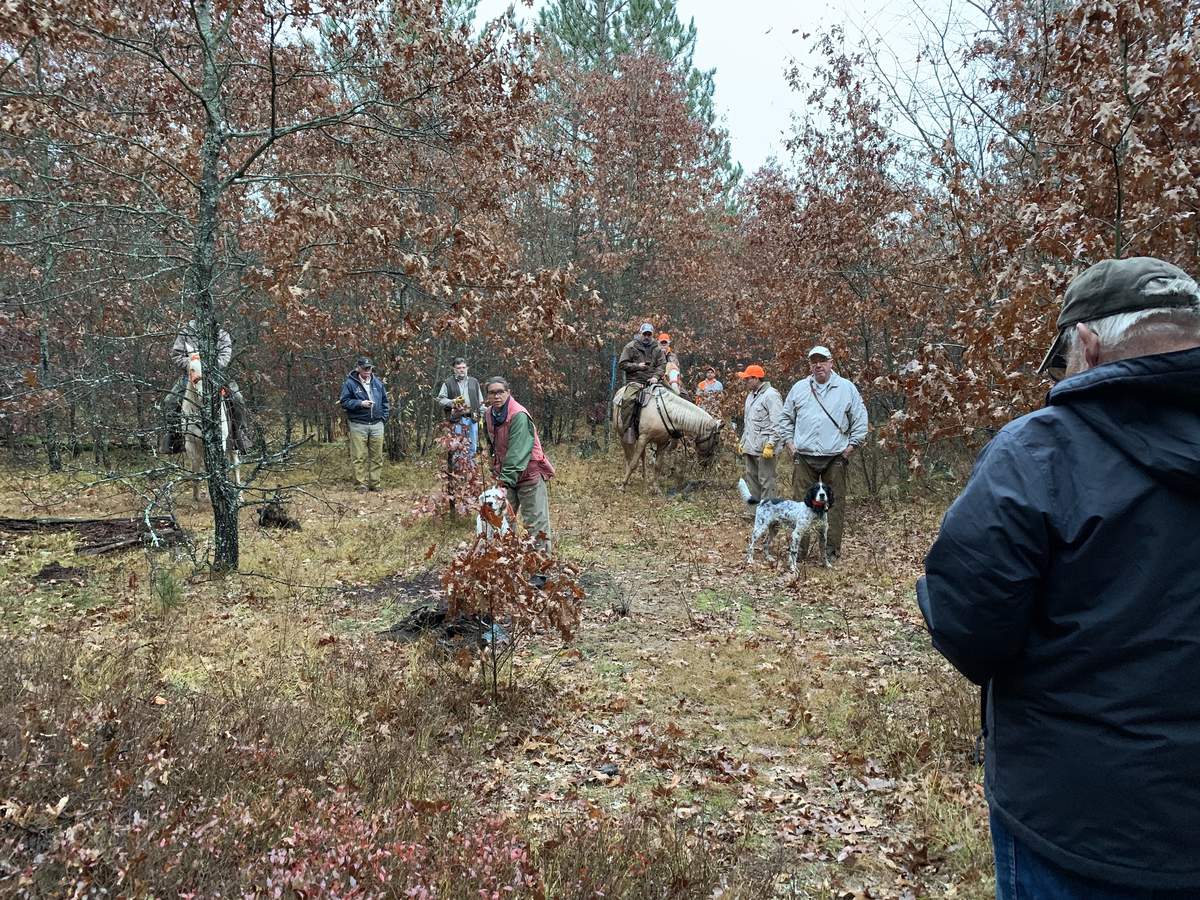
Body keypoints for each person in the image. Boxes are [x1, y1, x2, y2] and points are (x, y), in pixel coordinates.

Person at [917, 256, 1200, 898]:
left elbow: (971, 626)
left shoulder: (1037, 453)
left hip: (1073, 823)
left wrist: (933, 592)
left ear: (1090, 346)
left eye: (1063, 359)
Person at [775, 345, 868, 563]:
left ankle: (831, 553)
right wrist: (790, 445)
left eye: (822, 360)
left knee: (834, 507)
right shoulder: (799, 388)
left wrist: (850, 449)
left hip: (836, 457)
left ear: (831, 362)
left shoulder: (846, 388)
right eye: (813, 361)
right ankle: (799, 553)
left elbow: (861, 420)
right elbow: (785, 418)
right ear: (810, 365)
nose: (818, 365)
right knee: (800, 505)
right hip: (804, 457)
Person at [482, 377, 555, 559]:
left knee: (535, 524)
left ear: (508, 392)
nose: (497, 396)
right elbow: (492, 445)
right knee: (500, 520)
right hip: (506, 476)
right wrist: (495, 468)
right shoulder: (489, 414)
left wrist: (503, 483)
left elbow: (517, 453)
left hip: (529, 474)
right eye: (492, 393)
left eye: (500, 392)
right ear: (488, 396)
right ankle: (509, 563)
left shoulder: (519, 415)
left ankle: (540, 568)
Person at [162, 318, 252, 453]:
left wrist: (209, 366)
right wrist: (192, 363)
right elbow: (176, 355)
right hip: (191, 376)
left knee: (237, 398)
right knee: (170, 400)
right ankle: (174, 439)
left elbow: (225, 357)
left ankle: (240, 436)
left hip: (216, 375)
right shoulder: (186, 332)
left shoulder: (221, 334)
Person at [735, 365, 783, 513]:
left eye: (747, 379)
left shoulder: (771, 395)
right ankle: (754, 513)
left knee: (767, 482)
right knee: (752, 481)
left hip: (764, 448)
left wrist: (771, 444)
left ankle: (768, 514)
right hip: (750, 446)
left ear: (756, 378)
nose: (745, 382)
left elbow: (778, 423)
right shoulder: (751, 395)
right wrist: (742, 442)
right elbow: (748, 421)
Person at [339, 356, 389, 492]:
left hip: (377, 424)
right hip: (358, 424)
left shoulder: (378, 383)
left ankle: (375, 484)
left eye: (370, 368)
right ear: (358, 368)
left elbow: (385, 402)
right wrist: (360, 404)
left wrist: (383, 418)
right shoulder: (350, 383)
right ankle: (360, 484)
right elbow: (344, 402)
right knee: (359, 456)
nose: (368, 371)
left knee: (377, 456)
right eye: (365, 368)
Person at [616, 322, 666, 438]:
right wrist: (637, 366)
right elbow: (622, 364)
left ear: (652, 335)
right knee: (628, 399)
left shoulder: (657, 349)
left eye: (649, 334)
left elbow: (662, 365)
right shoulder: (630, 346)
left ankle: (671, 432)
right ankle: (627, 429)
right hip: (635, 380)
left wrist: (656, 377)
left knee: (674, 395)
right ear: (640, 334)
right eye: (645, 334)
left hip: (653, 381)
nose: (647, 337)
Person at [435, 357, 483, 467]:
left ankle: (471, 471)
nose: (461, 370)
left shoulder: (474, 382)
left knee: (473, 445)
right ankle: (458, 472)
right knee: (457, 445)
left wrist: (483, 415)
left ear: (467, 368)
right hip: (457, 419)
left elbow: (480, 401)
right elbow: (440, 399)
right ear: (454, 369)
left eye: (463, 367)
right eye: (458, 368)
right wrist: (453, 402)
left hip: (473, 418)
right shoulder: (448, 382)